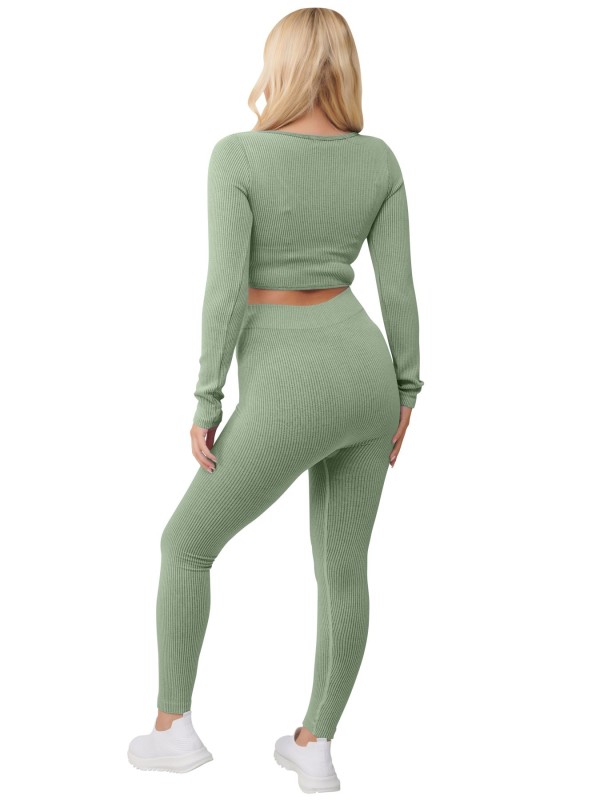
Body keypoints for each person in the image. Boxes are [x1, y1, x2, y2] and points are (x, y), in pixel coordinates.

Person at [127, 7, 424, 793]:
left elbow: (226, 290)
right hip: (365, 372)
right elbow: (398, 287)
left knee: (185, 545)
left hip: (293, 385)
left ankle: (172, 728)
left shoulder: (239, 155)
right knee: (344, 570)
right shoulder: (379, 159)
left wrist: (206, 399)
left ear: (279, 66)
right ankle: (314, 746)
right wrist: (406, 390)